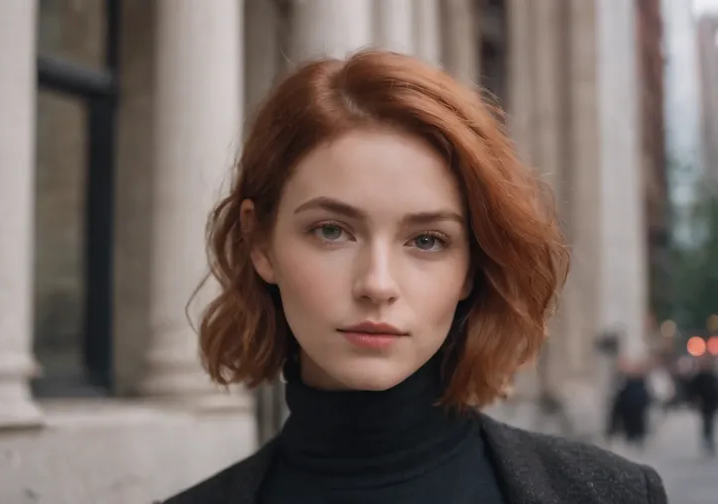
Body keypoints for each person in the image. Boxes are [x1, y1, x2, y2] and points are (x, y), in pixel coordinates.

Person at [161, 51, 667, 504]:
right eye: (332, 230)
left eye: (427, 240)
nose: (378, 284)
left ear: (471, 268)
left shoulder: (613, 494)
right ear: (260, 244)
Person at [687, 356, 718, 456]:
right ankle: (706, 439)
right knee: (706, 421)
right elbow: (692, 389)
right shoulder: (698, 377)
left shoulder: (712, 376)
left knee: (710, 421)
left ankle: (709, 440)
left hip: (712, 402)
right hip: (703, 403)